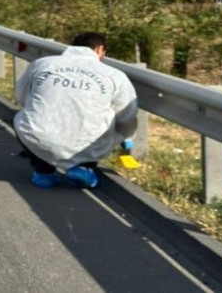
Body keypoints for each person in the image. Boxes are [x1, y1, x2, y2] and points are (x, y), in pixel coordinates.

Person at [14, 32, 138, 188]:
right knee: (108, 126)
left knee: (24, 120)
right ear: (100, 49)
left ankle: (43, 172)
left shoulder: (42, 64)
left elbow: (21, 96)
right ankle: (83, 167)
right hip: (87, 142)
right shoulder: (115, 75)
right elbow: (126, 115)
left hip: (40, 137)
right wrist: (127, 137)